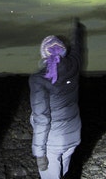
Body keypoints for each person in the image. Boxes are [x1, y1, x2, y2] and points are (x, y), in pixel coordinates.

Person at [29, 18, 86, 179]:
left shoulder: (39, 79)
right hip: (72, 136)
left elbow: (42, 119)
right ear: (63, 51)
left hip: (52, 142)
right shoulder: (74, 66)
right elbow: (78, 49)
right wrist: (77, 31)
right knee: (65, 172)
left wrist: (40, 154)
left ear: (43, 53)